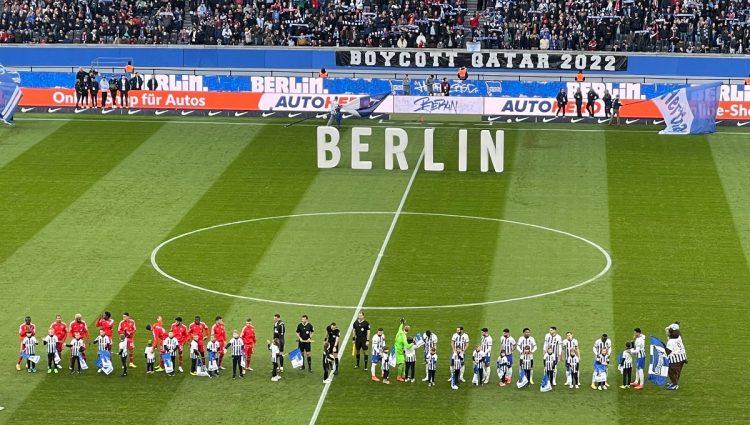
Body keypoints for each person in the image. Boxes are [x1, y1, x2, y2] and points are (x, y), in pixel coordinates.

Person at [665, 324, 687, 390]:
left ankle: (675, 384)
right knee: (677, 371)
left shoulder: (671, 341)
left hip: (675, 359)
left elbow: (668, 352)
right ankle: (674, 382)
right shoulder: (679, 336)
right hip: (682, 357)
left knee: (670, 371)